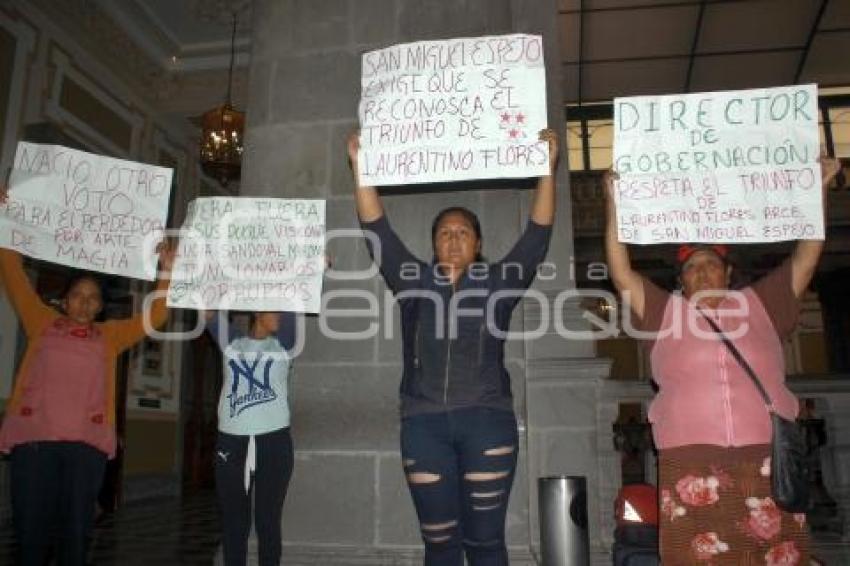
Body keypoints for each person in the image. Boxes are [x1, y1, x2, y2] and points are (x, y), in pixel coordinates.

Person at [604, 157, 841, 565]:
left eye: (711, 264)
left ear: (728, 272)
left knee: (776, 554)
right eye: (692, 268)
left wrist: (818, 188)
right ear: (681, 280)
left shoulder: (763, 303)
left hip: (766, 455)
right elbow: (621, 271)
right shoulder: (665, 312)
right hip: (689, 457)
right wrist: (614, 202)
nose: (702, 273)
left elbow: (807, 256)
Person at [347, 129, 558, 566]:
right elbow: (377, 229)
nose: (454, 238)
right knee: (439, 543)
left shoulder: (500, 282)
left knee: (484, 542)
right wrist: (360, 164)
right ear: (433, 244)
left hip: (488, 423)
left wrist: (546, 169)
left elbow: (536, 236)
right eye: (445, 232)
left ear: (478, 244)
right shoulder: (413, 281)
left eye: (464, 231)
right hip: (423, 426)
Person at [0, 187, 175, 566]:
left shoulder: (110, 336)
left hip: (85, 450)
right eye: (78, 294)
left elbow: (156, 316)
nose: (85, 301)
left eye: (93, 297)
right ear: (64, 300)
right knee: (30, 535)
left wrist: (167, 271)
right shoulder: (40, 321)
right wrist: (5, 219)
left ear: (100, 306)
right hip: (35, 445)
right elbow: (11, 271)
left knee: (75, 535)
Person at [204, 309, 297, 566]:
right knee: (234, 522)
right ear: (258, 310)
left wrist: (317, 268)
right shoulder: (232, 343)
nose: (280, 315)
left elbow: (300, 293)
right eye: (274, 309)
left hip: (274, 441)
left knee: (268, 521)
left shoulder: (284, 344)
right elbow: (207, 311)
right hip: (233, 442)